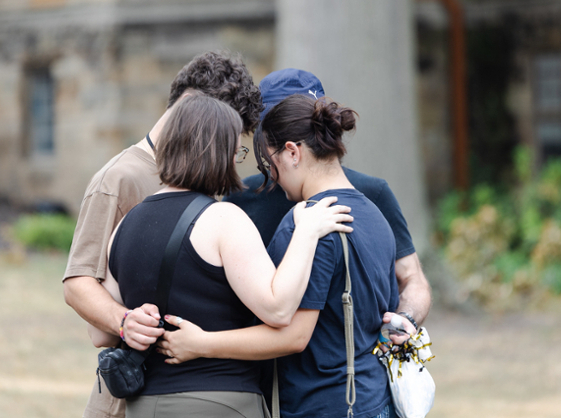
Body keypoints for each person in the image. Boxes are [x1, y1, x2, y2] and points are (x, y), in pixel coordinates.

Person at [100, 93, 354, 417]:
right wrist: (307, 232)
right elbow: (277, 310)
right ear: (217, 152)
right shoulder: (223, 219)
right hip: (220, 401)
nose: (237, 160)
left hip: (142, 405)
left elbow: (100, 332)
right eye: (237, 150)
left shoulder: (124, 224)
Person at [158, 94, 406, 418]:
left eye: (268, 164)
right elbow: (386, 315)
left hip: (323, 405)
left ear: (292, 152)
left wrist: (202, 343)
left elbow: (293, 336)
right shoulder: (375, 215)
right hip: (375, 401)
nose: (270, 177)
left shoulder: (309, 222)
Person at [62, 51, 264, 418]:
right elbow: (78, 282)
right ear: (195, 110)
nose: (233, 152)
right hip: (128, 401)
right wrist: (123, 321)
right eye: (227, 132)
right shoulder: (119, 178)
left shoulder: (199, 176)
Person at [225, 69, 431, 342]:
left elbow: (412, 278)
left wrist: (405, 319)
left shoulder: (371, 194)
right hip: (262, 369)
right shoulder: (241, 197)